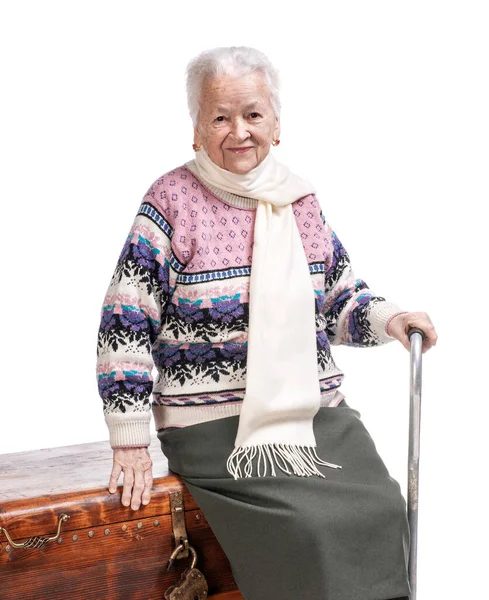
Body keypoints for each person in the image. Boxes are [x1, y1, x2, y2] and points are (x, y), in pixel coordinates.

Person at [97, 46, 437, 600]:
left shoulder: (299, 201)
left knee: (382, 508)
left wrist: (393, 318)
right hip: (213, 428)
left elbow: (338, 300)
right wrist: (129, 439)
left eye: (253, 114)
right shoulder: (171, 201)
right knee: (311, 531)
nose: (239, 131)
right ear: (196, 129)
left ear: (276, 124)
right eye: (221, 116)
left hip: (316, 416)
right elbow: (125, 320)